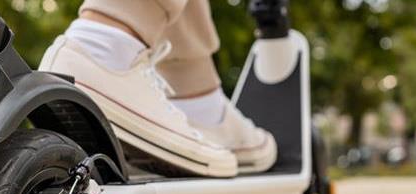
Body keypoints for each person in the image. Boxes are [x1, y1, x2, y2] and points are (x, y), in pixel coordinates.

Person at [39, 0, 277, 177]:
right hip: (97, 52)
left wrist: (190, 75)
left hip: (189, 77)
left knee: (190, 78)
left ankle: (192, 92)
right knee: (124, 19)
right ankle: (104, 42)